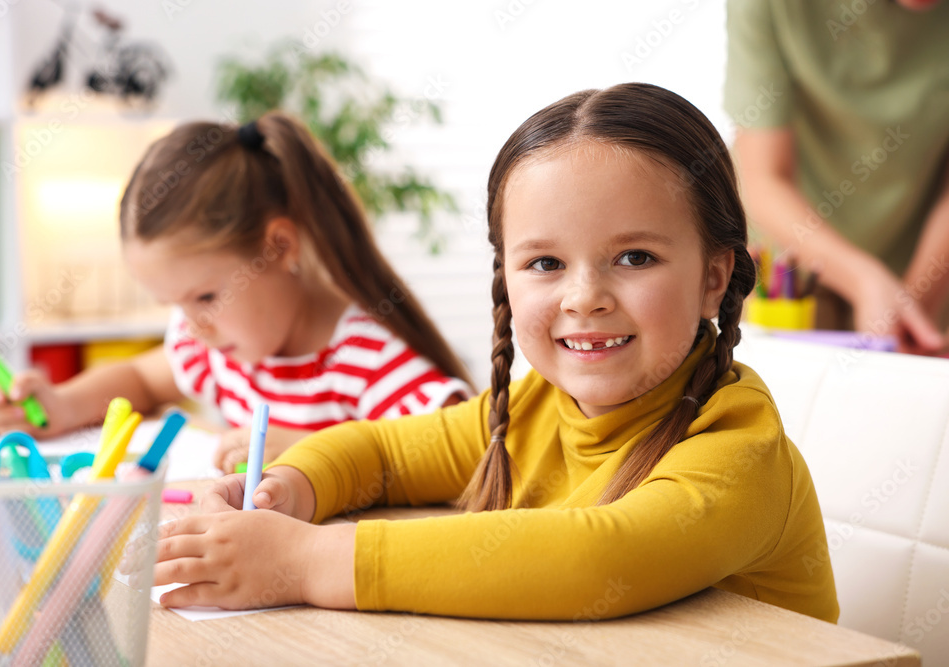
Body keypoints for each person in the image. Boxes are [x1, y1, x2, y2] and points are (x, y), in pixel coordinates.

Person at [152, 84, 839, 623]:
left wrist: (303, 561)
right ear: (505, 277)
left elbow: (601, 557)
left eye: (635, 256)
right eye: (544, 262)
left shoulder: (737, 446)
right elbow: (381, 453)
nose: (584, 296)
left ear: (714, 277)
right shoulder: (533, 407)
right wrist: (284, 491)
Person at [0, 112, 473, 472]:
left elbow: (468, 455)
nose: (193, 326)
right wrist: (61, 404)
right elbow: (140, 380)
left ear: (278, 247)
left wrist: (315, 452)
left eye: (206, 297)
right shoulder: (221, 347)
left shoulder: (366, 361)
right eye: (177, 305)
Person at [725, 0, 949, 353]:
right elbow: (764, 179)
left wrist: (913, 304)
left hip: (921, 268)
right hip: (790, 268)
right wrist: (865, 282)